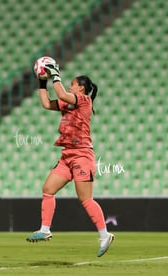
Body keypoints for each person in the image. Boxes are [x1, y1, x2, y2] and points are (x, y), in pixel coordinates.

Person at [26, 62, 114, 257]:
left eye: (72, 84)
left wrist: (54, 74)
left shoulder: (84, 101)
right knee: (48, 190)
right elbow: (46, 103)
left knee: (85, 199)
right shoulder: (69, 102)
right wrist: (42, 83)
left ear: (81, 88)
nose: (70, 86)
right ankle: (45, 229)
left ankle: (104, 235)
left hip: (82, 155)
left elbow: (63, 94)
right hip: (67, 155)